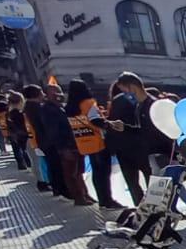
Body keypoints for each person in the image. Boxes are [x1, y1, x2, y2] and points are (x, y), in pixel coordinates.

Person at [64, 79, 121, 208]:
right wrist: (110, 124)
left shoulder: (69, 109)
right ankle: (107, 200)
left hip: (83, 144)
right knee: (104, 174)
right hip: (98, 142)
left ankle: (102, 199)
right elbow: (95, 120)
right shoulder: (89, 103)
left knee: (96, 173)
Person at [40, 82, 92, 205]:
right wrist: (62, 147)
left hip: (74, 143)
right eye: (53, 91)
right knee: (71, 173)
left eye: (58, 90)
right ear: (47, 94)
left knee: (79, 171)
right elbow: (53, 130)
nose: (57, 94)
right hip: (65, 145)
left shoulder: (61, 107)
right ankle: (78, 197)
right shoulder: (48, 109)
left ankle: (84, 193)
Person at [107, 73, 155, 201]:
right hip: (141, 148)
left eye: (125, 90)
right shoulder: (139, 104)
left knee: (135, 183)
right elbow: (143, 128)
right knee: (150, 180)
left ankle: (143, 207)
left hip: (134, 150)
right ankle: (151, 209)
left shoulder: (148, 104)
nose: (125, 94)